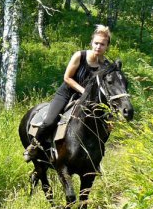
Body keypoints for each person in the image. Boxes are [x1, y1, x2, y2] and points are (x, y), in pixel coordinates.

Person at [23, 24, 113, 162]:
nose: (98, 47)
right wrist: (84, 91)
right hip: (67, 93)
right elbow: (67, 77)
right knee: (49, 121)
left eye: (102, 44)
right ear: (91, 43)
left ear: (107, 46)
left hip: (90, 100)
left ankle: (95, 156)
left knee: (106, 126)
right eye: (96, 43)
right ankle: (33, 147)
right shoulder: (80, 56)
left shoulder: (106, 65)